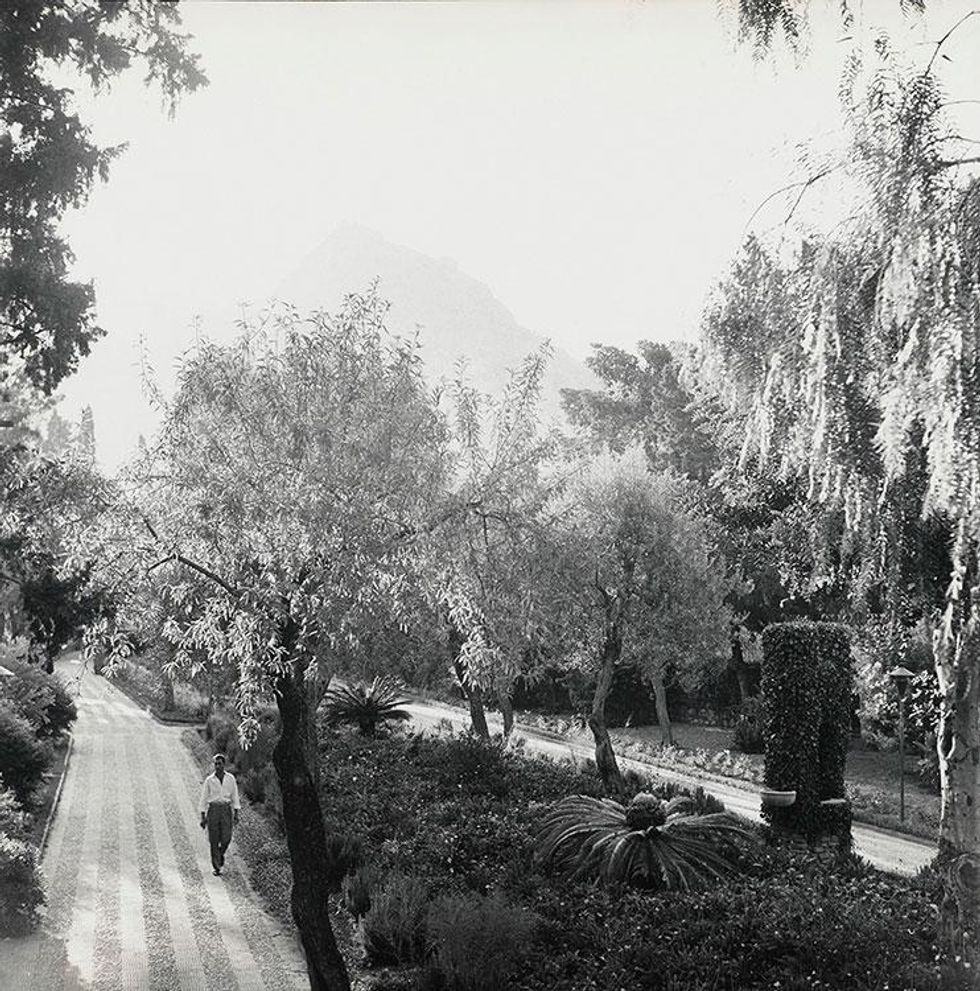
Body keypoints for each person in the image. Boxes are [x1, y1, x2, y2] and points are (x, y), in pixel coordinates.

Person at [199, 753, 241, 876]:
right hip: (213, 810)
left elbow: (235, 796)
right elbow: (204, 798)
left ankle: (220, 854)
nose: (217, 766)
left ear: (224, 764)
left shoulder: (230, 779)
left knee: (226, 838)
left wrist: (236, 813)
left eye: (220, 764)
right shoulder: (209, 780)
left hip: (226, 810)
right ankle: (216, 867)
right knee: (214, 839)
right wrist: (203, 817)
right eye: (215, 764)